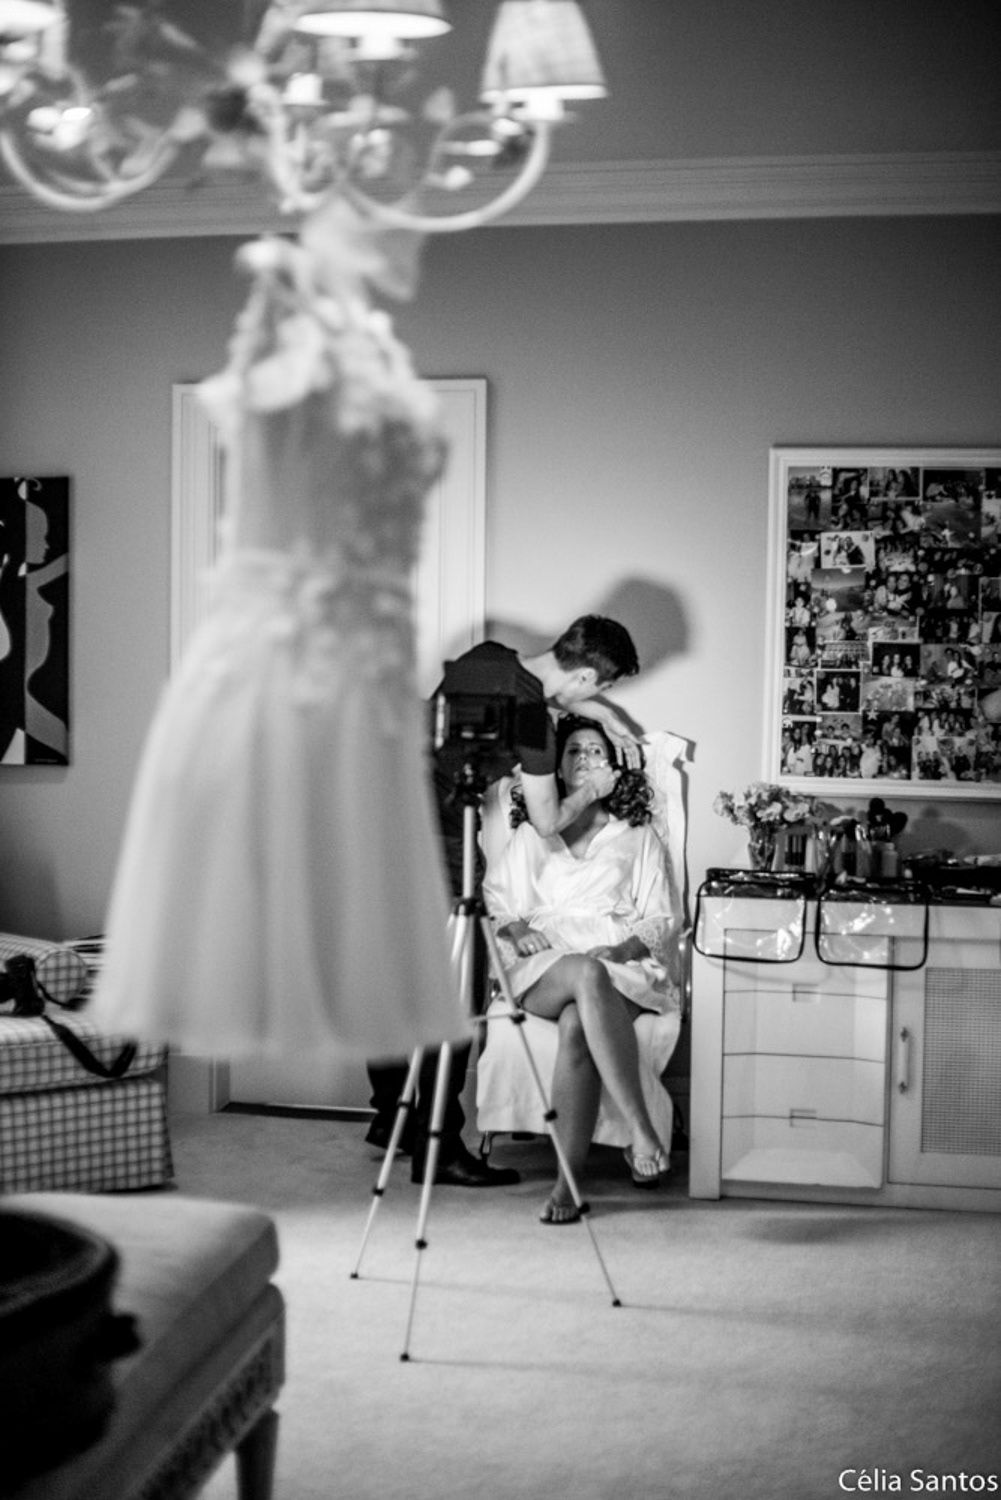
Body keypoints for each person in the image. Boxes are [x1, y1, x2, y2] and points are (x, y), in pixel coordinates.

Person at [366, 617, 642, 1187]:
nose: (598, 695)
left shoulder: (487, 657)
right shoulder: (535, 728)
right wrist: (591, 789)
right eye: (602, 686)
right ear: (586, 675)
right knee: (456, 997)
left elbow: (541, 690)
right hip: (437, 846)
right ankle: (440, 1150)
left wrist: (601, 713)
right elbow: (547, 820)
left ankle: (392, 1117)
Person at [482, 717, 676, 1223]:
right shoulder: (531, 834)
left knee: (576, 1026)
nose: (585, 759)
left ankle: (567, 1185)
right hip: (547, 965)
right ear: (556, 769)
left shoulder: (637, 836)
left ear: (613, 765)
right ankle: (641, 1129)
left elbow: (660, 917)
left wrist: (625, 948)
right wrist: (516, 929)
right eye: (573, 751)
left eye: (595, 750)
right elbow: (496, 901)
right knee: (584, 974)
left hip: (619, 963)